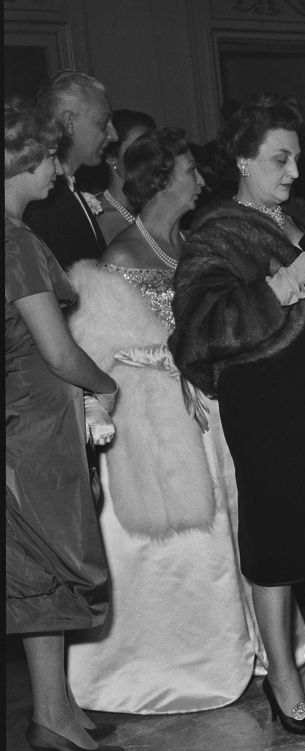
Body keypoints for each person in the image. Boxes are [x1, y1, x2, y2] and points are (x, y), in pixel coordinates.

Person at [169, 95, 305, 738]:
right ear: (241, 160)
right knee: (276, 535)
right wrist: (287, 283)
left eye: (295, 157)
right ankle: (281, 680)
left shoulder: (297, 217)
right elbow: (200, 329)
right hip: (263, 401)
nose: (293, 171)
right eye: (278, 159)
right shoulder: (216, 232)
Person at [64, 128, 262, 713]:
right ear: (159, 180)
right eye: (189, 172)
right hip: (154, 418)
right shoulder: (120, 255)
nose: (200, 182)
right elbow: (102, 349)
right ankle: (170, 660)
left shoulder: (191, 243)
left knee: (231, 516)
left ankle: (246, 640)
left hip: (207, 403)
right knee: (170, 547)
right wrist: (168, 363)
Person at [5, 99, 123, 751]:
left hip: (28, 419)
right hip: (35, 422)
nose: (57, 168)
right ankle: (52, 715)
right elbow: (57, 352)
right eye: (50, 157)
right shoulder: (15, 241)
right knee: (42, 571)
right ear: (21, 162)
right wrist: (106, 386)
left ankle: (61, 708)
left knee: (39, 569)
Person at [23, 72, 118, 269]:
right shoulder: (40, 203)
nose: (114, 135)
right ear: (69, 122)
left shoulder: (68, 188)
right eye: (103, 123)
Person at [92, 109, 157, 243]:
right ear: (112, 158)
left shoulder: (156, 208)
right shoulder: (97, 217)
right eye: (140, 149)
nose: (152, 159)